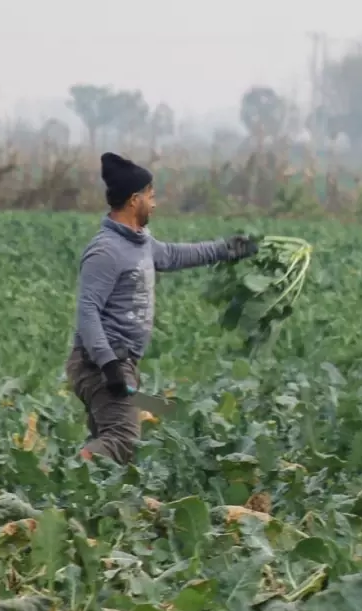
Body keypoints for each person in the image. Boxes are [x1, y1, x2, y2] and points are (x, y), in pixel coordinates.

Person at [65, 152, 258, 464]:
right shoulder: (106, 251)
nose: (154, 204)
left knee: (113, 439)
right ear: (133, 200)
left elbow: (172, 256)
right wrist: (109, 364)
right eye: (150, 197)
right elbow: (87, 312)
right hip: (100, 365)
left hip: (120, 363)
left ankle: (86, 500)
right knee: (122, 439)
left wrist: (226, 250)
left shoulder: (140, 242)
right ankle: (66, 476)